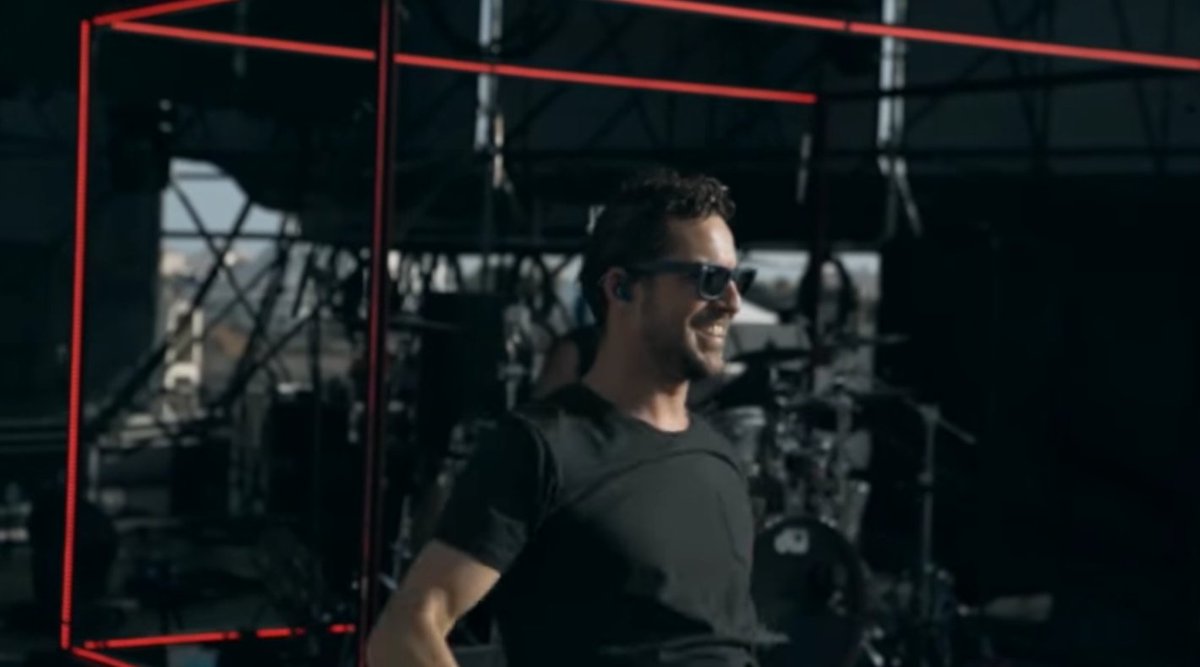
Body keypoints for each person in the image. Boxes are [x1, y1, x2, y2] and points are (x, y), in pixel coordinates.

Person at [366, 169, 760, 667]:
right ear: (622, 288)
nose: (733, 302)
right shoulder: (541, 448)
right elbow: (404, 634)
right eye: (710, 280)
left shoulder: (719, 458)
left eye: (739, 279)